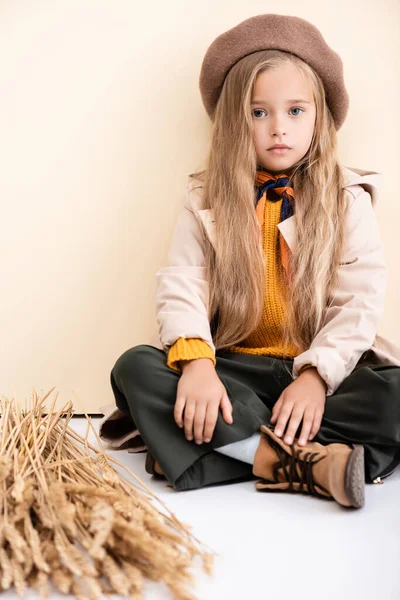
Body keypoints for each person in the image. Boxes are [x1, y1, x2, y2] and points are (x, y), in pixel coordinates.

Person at [99, 14, 400, 509]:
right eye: (258, 113)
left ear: (319, 117)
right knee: (135, 368)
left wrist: (315, 379)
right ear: (235, 121)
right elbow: (183, 283)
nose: (278, 128)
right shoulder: (207, 197)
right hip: (234, 373)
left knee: (392, 394)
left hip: (318, 375)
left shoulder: (348, 197)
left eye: (296, 111)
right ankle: (303, 463)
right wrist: (196, 364)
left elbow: (359, 301)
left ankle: (217, 452)